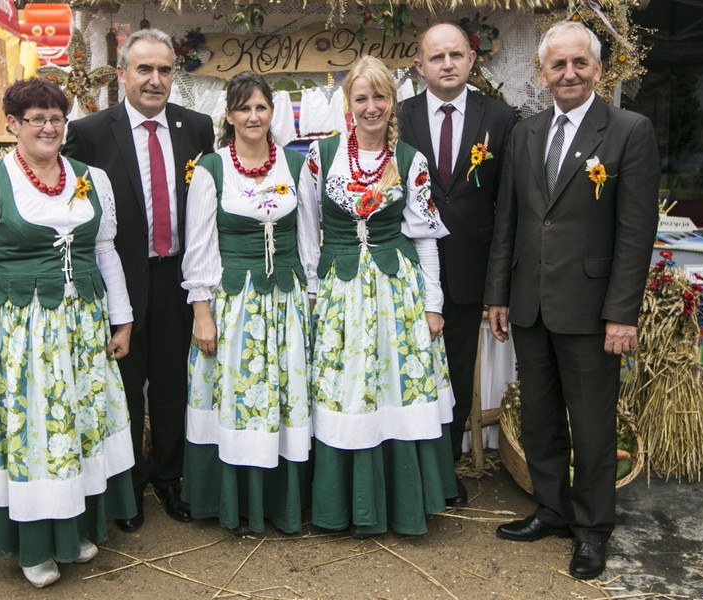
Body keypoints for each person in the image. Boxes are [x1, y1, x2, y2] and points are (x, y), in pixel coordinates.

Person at [0, 78, 136, 589]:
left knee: (74, 427)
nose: (49, 127)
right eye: (37, 118)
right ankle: (34, 545)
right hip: (20, 334)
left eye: (57, 117)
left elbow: (104, 253)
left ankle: (70, 529)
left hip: (81, 329)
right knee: (35, 434)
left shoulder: (90, 178)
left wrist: (123, 319)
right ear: (12, 124)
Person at [485, 21, 659, 579]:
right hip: (530, 304)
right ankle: (553, 510)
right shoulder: (526, 133)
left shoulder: (629, 131)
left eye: (579, 63)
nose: (568, 74)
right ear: (542, 74)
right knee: (539, 418)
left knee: (590, 424)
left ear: (599, 70)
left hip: (590, 311)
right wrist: (499, 296)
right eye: (557, 65)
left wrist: (621, 314)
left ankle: (591, 530)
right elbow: (508, 221)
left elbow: (636, 232)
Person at [63, 28, 215, 531]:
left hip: (177, 278)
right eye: (144, 69)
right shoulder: (88, 133)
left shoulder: (196, 128)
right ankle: (127, 484)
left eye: (165, 70)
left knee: (174, 382)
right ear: (122, 73)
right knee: (124, 387)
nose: (155, 80)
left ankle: (171, 479)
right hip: (118, 282)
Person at [298, 56, 457, 537]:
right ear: (348, 103)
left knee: (393, 384)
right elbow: (307, 231)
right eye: (361, 98)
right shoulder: (320, 158)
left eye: (379, 98)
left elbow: (425, 238)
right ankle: (342, 503)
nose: (371, 107)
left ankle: (403, 500)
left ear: (393, 104)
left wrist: (433, 304)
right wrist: (310, 291)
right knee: (346, 387)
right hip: (339, 290)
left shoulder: (411, 161)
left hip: (396, 291)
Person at [180, 71, 319, 534]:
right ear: (230, 115)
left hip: (285, 304)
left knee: (282, 398)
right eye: (244, 108)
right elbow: (198, 247)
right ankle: (233, 501)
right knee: (238, 399)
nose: (253, 116)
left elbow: (307, 242)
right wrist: (203, 314)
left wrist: (312, 297)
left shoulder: (296, 167)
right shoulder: (211, 169)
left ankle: (283, 501)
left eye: (261, 107)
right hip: (234, 304)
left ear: (272, 112)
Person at [398, 22, 515, 506]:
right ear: (420, 65)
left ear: (471, 59)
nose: (447, 64)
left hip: (469, 271)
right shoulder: (397, 116)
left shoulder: (502, 119)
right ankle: (405, 470)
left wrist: (497, 290)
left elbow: (507, 210)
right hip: (403, 271)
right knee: (408, 372)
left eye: (455, 55)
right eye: (436, 57)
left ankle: (443, 474)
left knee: (455, 374)